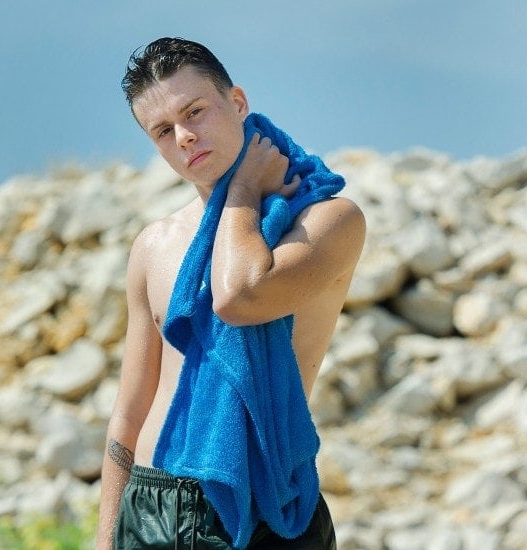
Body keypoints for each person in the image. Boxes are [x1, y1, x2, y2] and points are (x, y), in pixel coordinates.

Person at [96, 37, 365, 549]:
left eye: (194, 111)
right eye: (163, 131)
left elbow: (238, 296)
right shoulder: (154, 246)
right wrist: (105, 538)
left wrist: (242, 188)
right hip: (151, 507)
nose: (185, 137)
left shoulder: (327, 220)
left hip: (268, 509)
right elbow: (128, 413)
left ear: (237, 102)